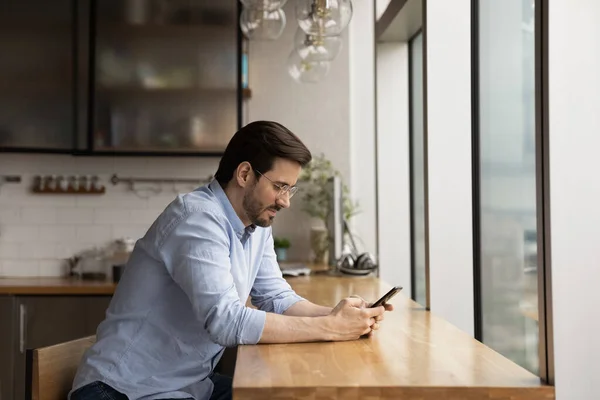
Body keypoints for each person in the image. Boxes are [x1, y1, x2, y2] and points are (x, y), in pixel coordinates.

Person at [69, 121, 393, 400]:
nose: (285, 201)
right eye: (280, 186)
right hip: (123, 390)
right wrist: (330, 328)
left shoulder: (257, 223)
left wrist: (343, 316)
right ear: (244, 174)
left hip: (186, 386)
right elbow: (225, 320)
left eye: (291, 190)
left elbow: (275, 297)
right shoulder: (197, 218)